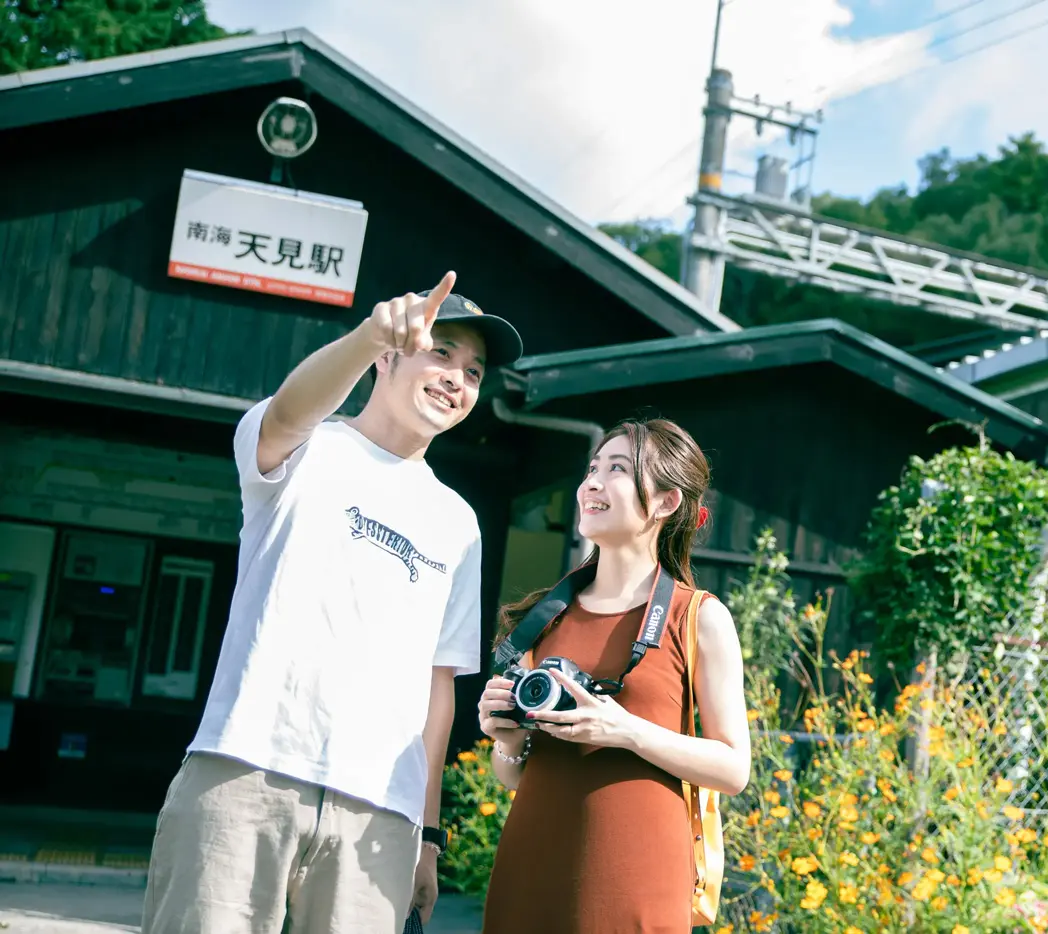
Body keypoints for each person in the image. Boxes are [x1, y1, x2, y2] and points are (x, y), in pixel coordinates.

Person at [141, 271, 524, 934]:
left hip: (380, 812)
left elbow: (438, 688)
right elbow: (289, 411)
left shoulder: (457, 522)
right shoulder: (307, 449)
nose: (457, 379)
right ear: (389, 355)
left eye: (474, 370)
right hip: (245, 769)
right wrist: (371, 329)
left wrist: (428, 832)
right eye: (442, 352)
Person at [476, 418, 751, 934]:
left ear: (667, 502)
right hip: (531, 869)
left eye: (617, 469)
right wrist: (506, 738)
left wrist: (624, 730)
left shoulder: (698, 617)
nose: (592, 483)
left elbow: (734, 769)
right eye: (592, 469)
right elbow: (515, 775)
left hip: (638, 879)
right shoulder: (544, 617)